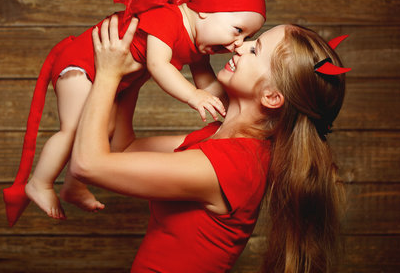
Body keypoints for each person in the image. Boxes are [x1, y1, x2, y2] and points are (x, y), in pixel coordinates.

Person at [3, 0, 266, 224]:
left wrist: (239, 103)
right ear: (206, 11)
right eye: (237, 30)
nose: (239, 44)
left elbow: (208, 84)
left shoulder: (198, 45)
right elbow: (158, 65)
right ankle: (39, 182)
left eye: (248, 37)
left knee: (103, 128)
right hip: (83, 64)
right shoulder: (169, 18)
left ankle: (73, 186)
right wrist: (193, 96)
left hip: (112, 77)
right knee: (76, 128)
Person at [70, 15, 348, 272]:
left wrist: (108, 74)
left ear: (272, 97)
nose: (240, 47)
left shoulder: (231, 165)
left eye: (255, 50)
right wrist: (140, 70)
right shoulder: (219, 140)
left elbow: (88, 164)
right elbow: (123, 149)